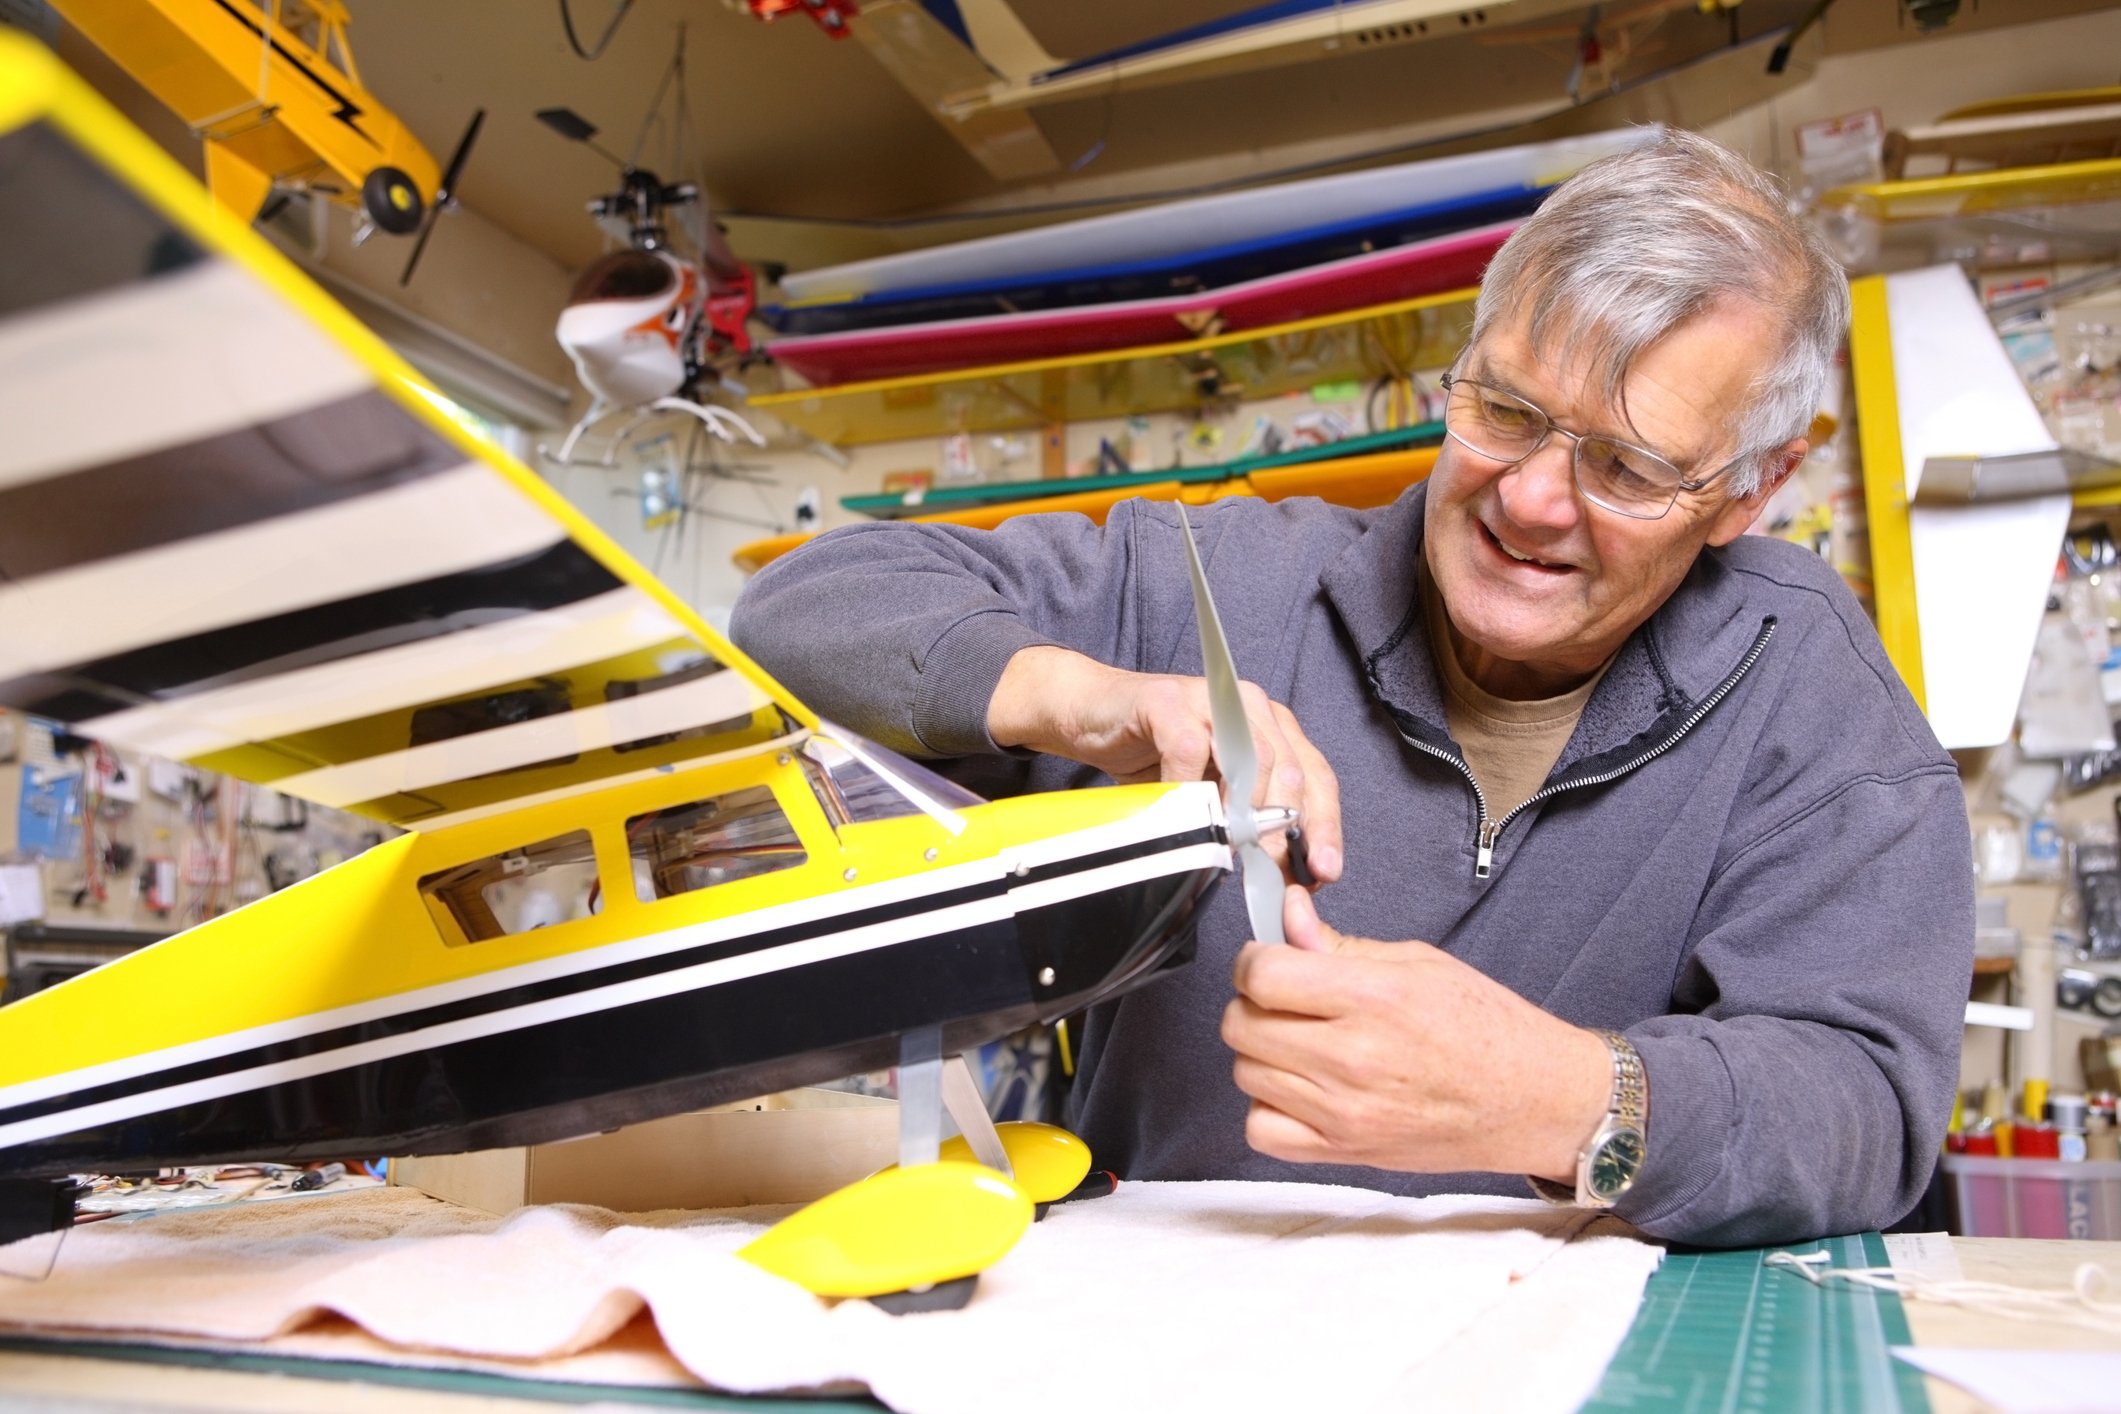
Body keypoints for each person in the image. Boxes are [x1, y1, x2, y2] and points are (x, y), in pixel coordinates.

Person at [731, 130, 1974, 1247]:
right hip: (1156, 1336)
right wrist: (1083, 695)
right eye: (1506, 409)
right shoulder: (1204, 586)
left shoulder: (1807, 688)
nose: (1532, 499)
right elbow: (797, 610)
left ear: (1752, 491)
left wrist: (1560, 1099)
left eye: (1627, 468)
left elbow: (1866, 1109)